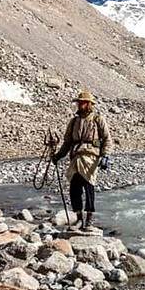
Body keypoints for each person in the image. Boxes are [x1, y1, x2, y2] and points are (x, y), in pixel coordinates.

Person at [52, 90, 110, 230]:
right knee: (74, 188)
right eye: (79, 102)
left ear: (89, 104)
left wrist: (105, 155)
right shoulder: (74, 121)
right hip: (76, 157)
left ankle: (89, 218)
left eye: (83, 102)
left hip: (90, 157)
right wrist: (59, 155)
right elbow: (67, 142)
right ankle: (79, 218)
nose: (80, 105)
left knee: (89, 186)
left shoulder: (98, 119)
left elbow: (107, 139)